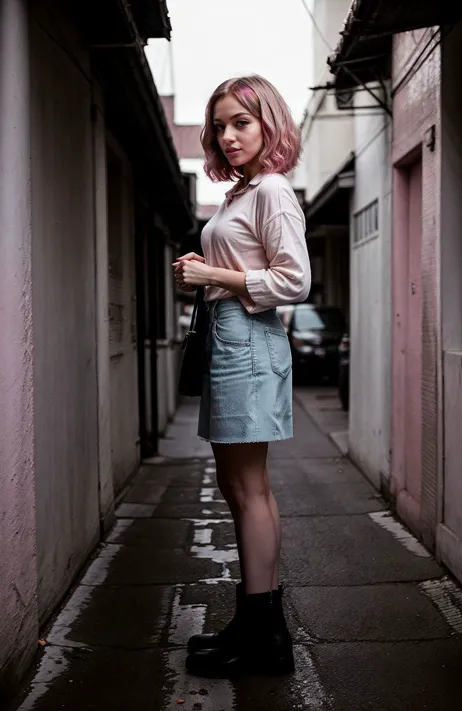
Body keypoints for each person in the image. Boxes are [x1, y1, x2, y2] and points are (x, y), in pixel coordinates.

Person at [173, 75, 311, 678]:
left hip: (248, 344)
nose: (228, 136)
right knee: (240, 489)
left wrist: (214, 278)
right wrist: (204, 270)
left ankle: (264, 639)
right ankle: (258, 626)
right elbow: (245, 266)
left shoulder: (272, 189)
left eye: (241, 123)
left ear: (269, 125)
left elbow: (294, 281)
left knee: (249, 490)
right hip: (230, 341)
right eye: (220, 125)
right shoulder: (241, 193)